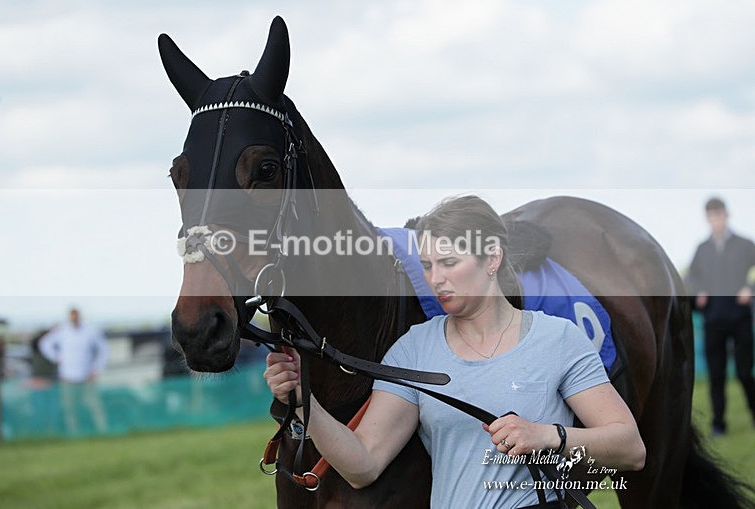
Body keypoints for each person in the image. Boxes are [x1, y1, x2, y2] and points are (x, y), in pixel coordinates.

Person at [264, 196, 645, 508]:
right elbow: (363, 463)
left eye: (449, 263)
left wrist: (547, 436)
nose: (435, 279)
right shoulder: (414, 348)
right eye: (428, 265)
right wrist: (302, 401)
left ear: (491, 258)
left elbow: (630, 448)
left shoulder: (558, 339)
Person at [688, 197, 755, 436]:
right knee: (716, 376)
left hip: (740, 318)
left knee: (745, 372)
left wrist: (750, 288)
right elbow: (691, 278)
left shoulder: (745, 244)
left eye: (719, 215)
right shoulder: (702, 249)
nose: (716, 220)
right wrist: (699, 292)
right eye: (711, 216)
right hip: (713, 320)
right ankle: (719, 425)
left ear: (727, 215)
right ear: (708, 218)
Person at [39, 307, 109, 435]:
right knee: (70, 409)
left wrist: (96, 369)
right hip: (68, 378)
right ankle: (74, 434)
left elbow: (103, 350)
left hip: (86, 377)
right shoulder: (62, 331)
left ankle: (103, 432)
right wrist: (56, 357)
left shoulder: (90, 331)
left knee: (95, 407)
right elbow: (45, 344)